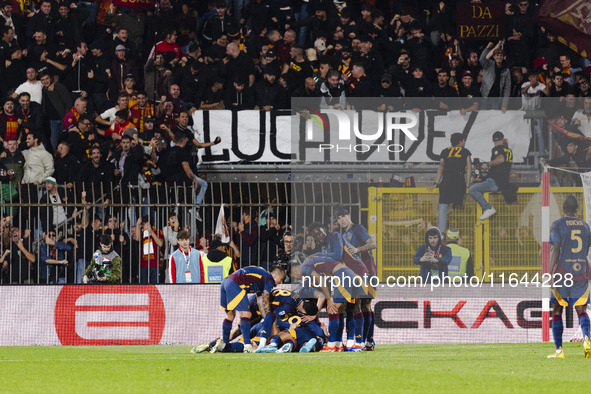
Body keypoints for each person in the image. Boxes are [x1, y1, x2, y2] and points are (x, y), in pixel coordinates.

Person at [547, 196, 591, 358]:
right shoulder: (585, 226)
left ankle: (559, 351)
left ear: (563, 207)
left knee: (557, 310)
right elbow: (585, 249)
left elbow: (556, 250)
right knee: (581, 310)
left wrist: (550, 272)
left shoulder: (558, 225)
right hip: (581, 273)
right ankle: (587, 340)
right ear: (577, 208)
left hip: (562, 274)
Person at [210, 265, 285, 353]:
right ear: (275, 276)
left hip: (225, 282)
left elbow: (260, 302)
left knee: (230, 316)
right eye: (281, 278)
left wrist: (266, 319)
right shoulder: (269, 279)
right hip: (236, 283)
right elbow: (265, 299)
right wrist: (270, 320)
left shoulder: (261, 276)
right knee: (247, 315)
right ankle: (247, 345)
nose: (281, 282)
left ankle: (225, 344)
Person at [334, 206, 377, 351]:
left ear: (349, 215)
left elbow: (373, 244)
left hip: (368, 272)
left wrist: (357, 250)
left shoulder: (358, 228)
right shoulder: (343, 235)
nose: (341, 220)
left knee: (364, 305)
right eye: (338, 218)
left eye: (343, 216)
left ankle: (366, 341)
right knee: (355, 306)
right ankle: (363, 341)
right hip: (354, 275)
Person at [429, 133, 472, 234]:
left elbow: (441, 168)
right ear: (461, 141)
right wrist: (467, 184)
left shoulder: (445, 151)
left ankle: (441, 233)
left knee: (443, 206)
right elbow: (469, 168)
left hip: (446, 181)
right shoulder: (465, 151)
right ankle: (460, 232)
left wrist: (436, 182)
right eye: (463, 140)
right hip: (459, 180)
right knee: (459, 207)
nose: (464, 142)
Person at [468, 131, 513, 221]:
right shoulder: (509, 150)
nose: (496, 143)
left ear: (493, 140)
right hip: (503, 182)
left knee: (472, 189)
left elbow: (501, 159)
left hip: (494, 181)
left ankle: (488, 208)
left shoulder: (497, 148)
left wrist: (488, 164)